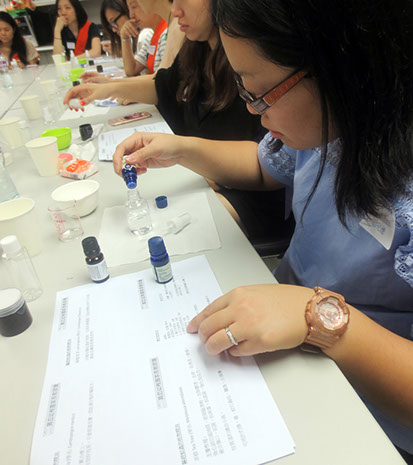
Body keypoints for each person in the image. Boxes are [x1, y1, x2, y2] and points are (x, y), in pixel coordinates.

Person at [106, 0, 413, 461]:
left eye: (260, 92)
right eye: (245, 90)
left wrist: (318, 319)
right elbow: (265, 165)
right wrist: (182, 149)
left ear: (340, 65)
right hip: (284, 334)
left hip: (362, 407)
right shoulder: (332, 122)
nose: (254, 112)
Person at [63, 0, 292, 243]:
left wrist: (182, 150)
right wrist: (108, 88)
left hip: (247, 195)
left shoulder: (251, 54)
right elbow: (164, 86)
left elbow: (267, 163)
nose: (174, 11)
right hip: (205, 176)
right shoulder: (197, 48)